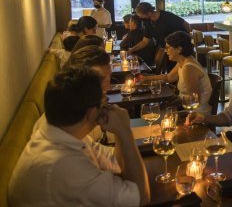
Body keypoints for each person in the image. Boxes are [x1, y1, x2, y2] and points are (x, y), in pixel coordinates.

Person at [9, 66, 150, 206]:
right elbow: (141, 198)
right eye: (103, 101)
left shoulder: (62, 131)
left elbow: (113, 161)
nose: (107, 106)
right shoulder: (62, 164)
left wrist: (118, 131)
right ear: (90, 112)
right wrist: (124, 131)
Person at [143, 31, 212, 114]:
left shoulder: (189, 68)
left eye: (168, 47)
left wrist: (174, 103)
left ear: (179, 49)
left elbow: (193, 100)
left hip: (196, 113)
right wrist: (145, 78)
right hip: (187, 107)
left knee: (154, 112)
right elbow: (168, 77)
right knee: (156, 108)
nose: (166, 51)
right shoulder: (182, 62)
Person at [130, 2, 190, 70]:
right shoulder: (148, 22)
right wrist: (132, 50)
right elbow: (145, 41)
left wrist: (188, 38)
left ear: (149, 13)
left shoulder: (166, 16)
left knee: (183, 70)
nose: (140, 18)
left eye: (141, 16)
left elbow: (186, 24)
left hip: (178, 49)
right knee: (171, 71)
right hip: (167, 50)